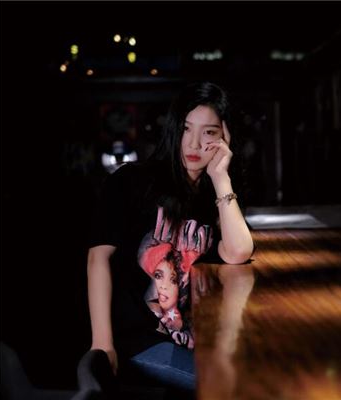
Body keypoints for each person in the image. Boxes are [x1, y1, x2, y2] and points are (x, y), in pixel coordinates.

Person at [87, 81, 254, 395]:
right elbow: (98, 258)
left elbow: (238, 251)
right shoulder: (130, 181)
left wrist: (220, 177)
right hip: (139, 340)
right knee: (234, 388)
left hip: (192, 338)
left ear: (225, 138)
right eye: (186, 129)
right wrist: (102, 344)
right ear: (173, 129)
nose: (194, 144)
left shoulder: (214, 199)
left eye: (209, 132)